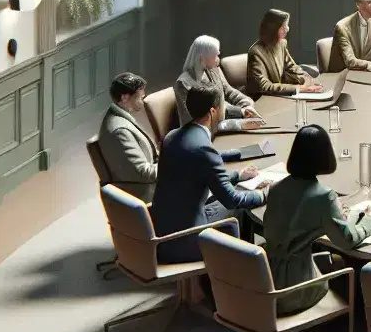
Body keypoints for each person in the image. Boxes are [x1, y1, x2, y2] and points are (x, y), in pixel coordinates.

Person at [260, 124, 371, 316]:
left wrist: (337, 214)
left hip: (265, 279)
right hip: (295, 289)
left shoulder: (275, 189)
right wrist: (369, 218)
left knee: (325, 256)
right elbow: (346, 240)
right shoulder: (324, 197)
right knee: (347, 264)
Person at [149, 85, 268, 264]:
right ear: (213, 111)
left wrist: (237, 175)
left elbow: (196, 173)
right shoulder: (202, 148)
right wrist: (265, 194)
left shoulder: (172, 136)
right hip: (185, 239)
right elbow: (232, 199)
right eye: (223, 106)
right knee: (241, 209)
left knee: (233, 193)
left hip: (163, 231)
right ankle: (241, 272)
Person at [174, 35, 264, 131]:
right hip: (204, 135)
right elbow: (198, 123)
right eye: (216, 55)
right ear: (202, 58)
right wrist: (239, 119)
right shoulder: (183, 84)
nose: (218, 59)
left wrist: (246, 106)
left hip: (223, 124)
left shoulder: (214, 70)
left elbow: (229, 92)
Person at [97, 73, 163, 202]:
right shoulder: (120, 131)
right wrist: (172, 164)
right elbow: (144, 173)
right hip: (147, 196)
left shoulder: (119, 118)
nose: (142, 102)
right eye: (140, 97)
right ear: (125, 98)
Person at [246, 8, 324, 98]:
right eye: (283, 27)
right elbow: (264, 86)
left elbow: (292, 68)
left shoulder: (281, 44)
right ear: (272, 29)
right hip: (262, 101)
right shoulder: (256, 52)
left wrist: (308, 80)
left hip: (277, 97)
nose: (287, 29)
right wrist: (300, 88)